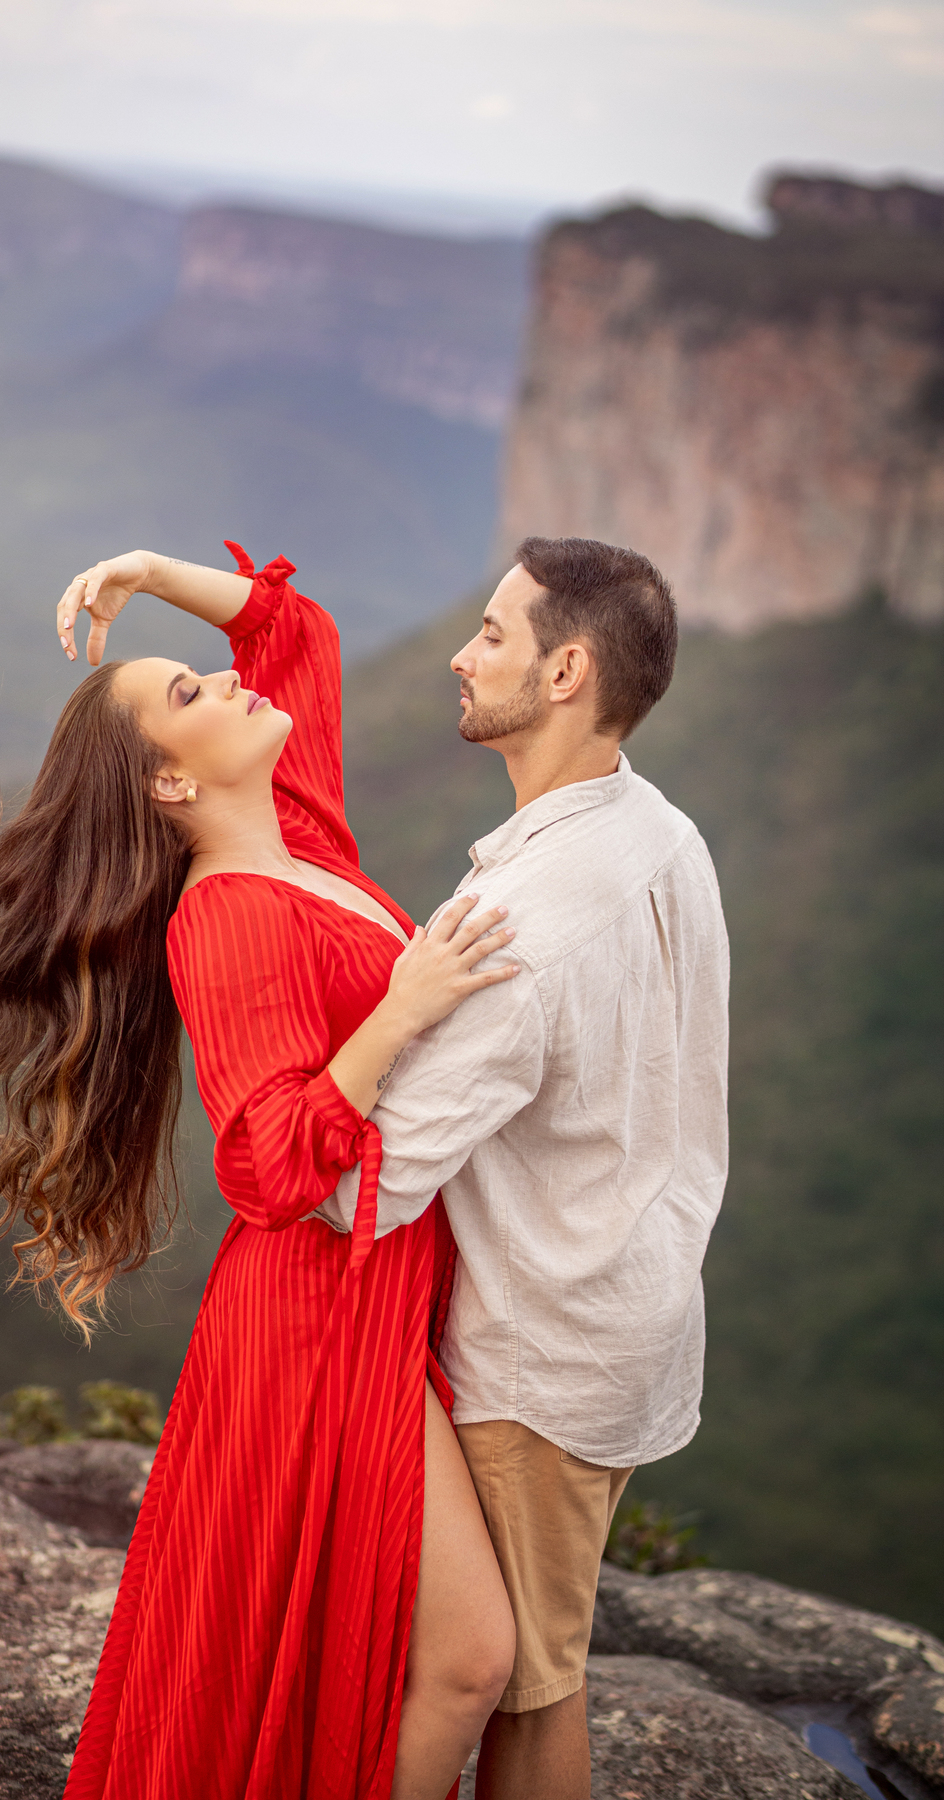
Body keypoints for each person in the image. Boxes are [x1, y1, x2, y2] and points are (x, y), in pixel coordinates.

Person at [0, 540, 519, 1800]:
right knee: (467, 1660)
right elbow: (265, 1161)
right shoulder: (227, 913)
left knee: (401, 1655)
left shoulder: (298, 836)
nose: (226, 683)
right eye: (190, 693)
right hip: (316, 1315)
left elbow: (297, 639)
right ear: (174, 785)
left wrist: (148, 571)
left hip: (376, 1290)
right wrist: (402, 1011)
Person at [323, 536, 731, 1800]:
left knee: (526, 1687)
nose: (460, 654)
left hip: (533, 1359)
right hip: (628, 1305)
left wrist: (354, 1040)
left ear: (565, 673)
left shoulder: (520, 930)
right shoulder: (664, 831)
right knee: (543, 1663)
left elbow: (363, 1186)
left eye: (492, 633)